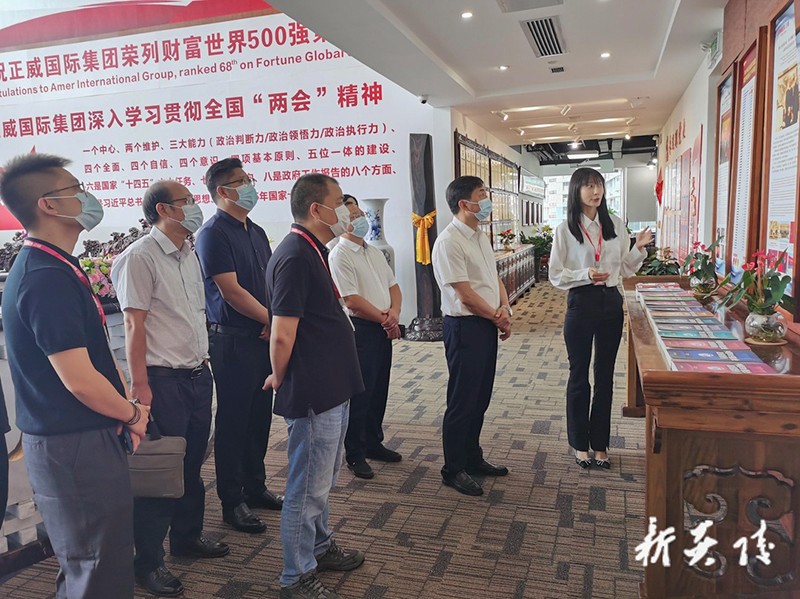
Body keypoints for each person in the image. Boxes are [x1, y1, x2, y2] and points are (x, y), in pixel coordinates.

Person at [0, 153, 149, 598]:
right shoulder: (44, 277)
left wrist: (124, 408)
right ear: (48, 204)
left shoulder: (57, 265)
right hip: (73, 444)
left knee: (95, 558)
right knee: (96, 562)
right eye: (77, 189)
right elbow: (79, 380)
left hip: (82, 436)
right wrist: (133, 413)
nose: (87, 196)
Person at [111, 180, 228, 597]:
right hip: (161, 381)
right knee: (161, 471)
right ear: (164, 209)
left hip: (197, 374)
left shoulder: (188, 252)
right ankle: (148, 562)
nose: (195, 206)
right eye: (187, 201)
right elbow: (133, 324)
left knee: (192, 463)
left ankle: (187, 537)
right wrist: (140, 387)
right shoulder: (139, 257)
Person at [264, 173, 365, 599]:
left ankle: (319, 547)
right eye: (339, 202)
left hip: (331, 386)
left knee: (322, 480)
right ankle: (296, 576)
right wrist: (280, 376)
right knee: (306, 488)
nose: (347, 210)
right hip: (312, 391)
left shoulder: (313, 250)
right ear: (316, 209)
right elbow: (282, 333)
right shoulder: (294, 256)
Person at [195, 157, 281, 535]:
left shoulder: (255, 230)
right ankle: (232, 501)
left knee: (260, 416)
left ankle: (255, 486)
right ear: (223, 191)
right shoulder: (213, 233)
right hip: (231, 339)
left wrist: (271, 318)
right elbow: (230, 291)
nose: (250, 186)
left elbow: (268, 282)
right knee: (234, 421)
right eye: (242, 181)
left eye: (249, 179)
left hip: (262, 336)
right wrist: (269, 319)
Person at [548, 167, 652, 469]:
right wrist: (585, 274)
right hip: (581, 301)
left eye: (599, 186)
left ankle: (600, 444)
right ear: (576, 190)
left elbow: (625, 268)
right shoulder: (565, 229)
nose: (596, 192)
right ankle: (580, 444)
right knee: (579, 374)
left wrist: (638, 248)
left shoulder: (615, 224)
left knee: (605, 375)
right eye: (589, 186)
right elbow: (555, 274)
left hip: (610, 302)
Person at [432, 176, 512, 498]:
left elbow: (494, 279)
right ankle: (453, 469)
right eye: (482, 195)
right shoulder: (449, 242)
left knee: (480, 397)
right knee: (462, 400)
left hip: (486, 323)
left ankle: (472, 457)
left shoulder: (479, 236)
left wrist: (505, 310)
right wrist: (496, 316)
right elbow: (464, 295)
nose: (488, 200)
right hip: (465, 327)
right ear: (465, 203)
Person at [329, 195, 402, 480]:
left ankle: (373, 441)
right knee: (360, 393)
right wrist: (386, 319)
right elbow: (352, 301)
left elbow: (394, 286)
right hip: (361, 330)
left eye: (360, 214)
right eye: (352, 215)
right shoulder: (339, 254)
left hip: (383, 326)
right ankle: (355, 453)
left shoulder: (373, 252)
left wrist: (394, 313)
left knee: (379, 387)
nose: (360, 218)